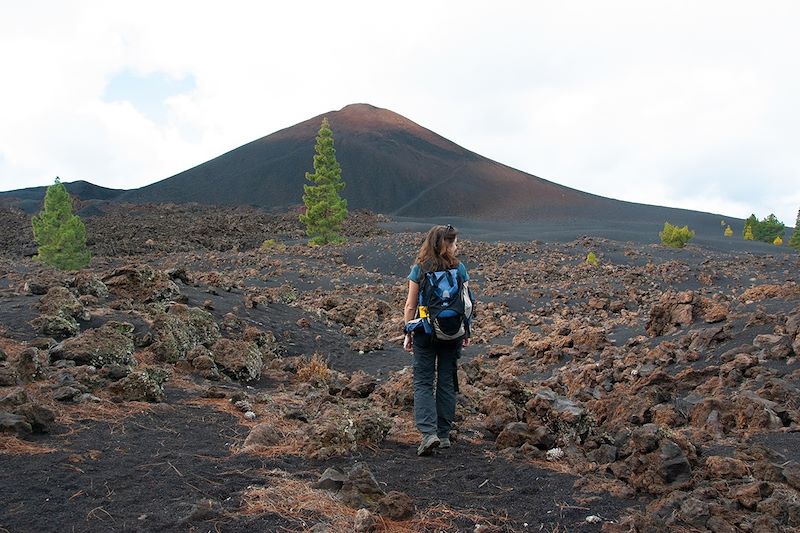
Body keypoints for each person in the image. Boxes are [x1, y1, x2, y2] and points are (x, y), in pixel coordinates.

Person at [403, 224, 471, 456]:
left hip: (425, 331)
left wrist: (408, 331)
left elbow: (411, 305)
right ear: (446, 244)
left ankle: (428, 433)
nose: (456, 246)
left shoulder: (419, 269)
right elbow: (467, 303)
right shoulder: (459, 268)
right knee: (446, 381)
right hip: (452, 332)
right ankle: (443, 435)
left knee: (423, 381)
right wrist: (466, 331)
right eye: (453, 242)